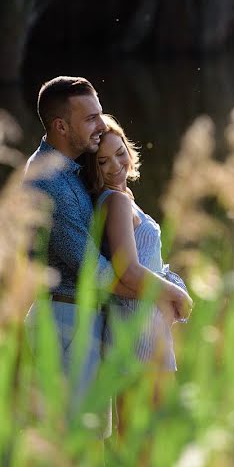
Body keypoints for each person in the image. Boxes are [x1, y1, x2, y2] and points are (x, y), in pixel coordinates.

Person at [23, 76, 192, 438]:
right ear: (61, 126)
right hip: (65, 319)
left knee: (98, 441)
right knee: (76, 445)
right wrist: (168, 293)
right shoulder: (51, 183)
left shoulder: (73, 171)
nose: (101, 124)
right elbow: (100, 273)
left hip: (87, 319)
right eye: (90, 118)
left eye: (100, 114)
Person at [80, 113, 191, 424]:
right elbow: (127, 270)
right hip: (138, 327)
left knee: (141, 436)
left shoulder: (122, 198)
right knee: (148, 438)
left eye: (120, 153)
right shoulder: (115, 201)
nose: (116, 166)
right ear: (93, 168)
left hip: (139, 324)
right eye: (103, 162)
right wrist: (179, 295)